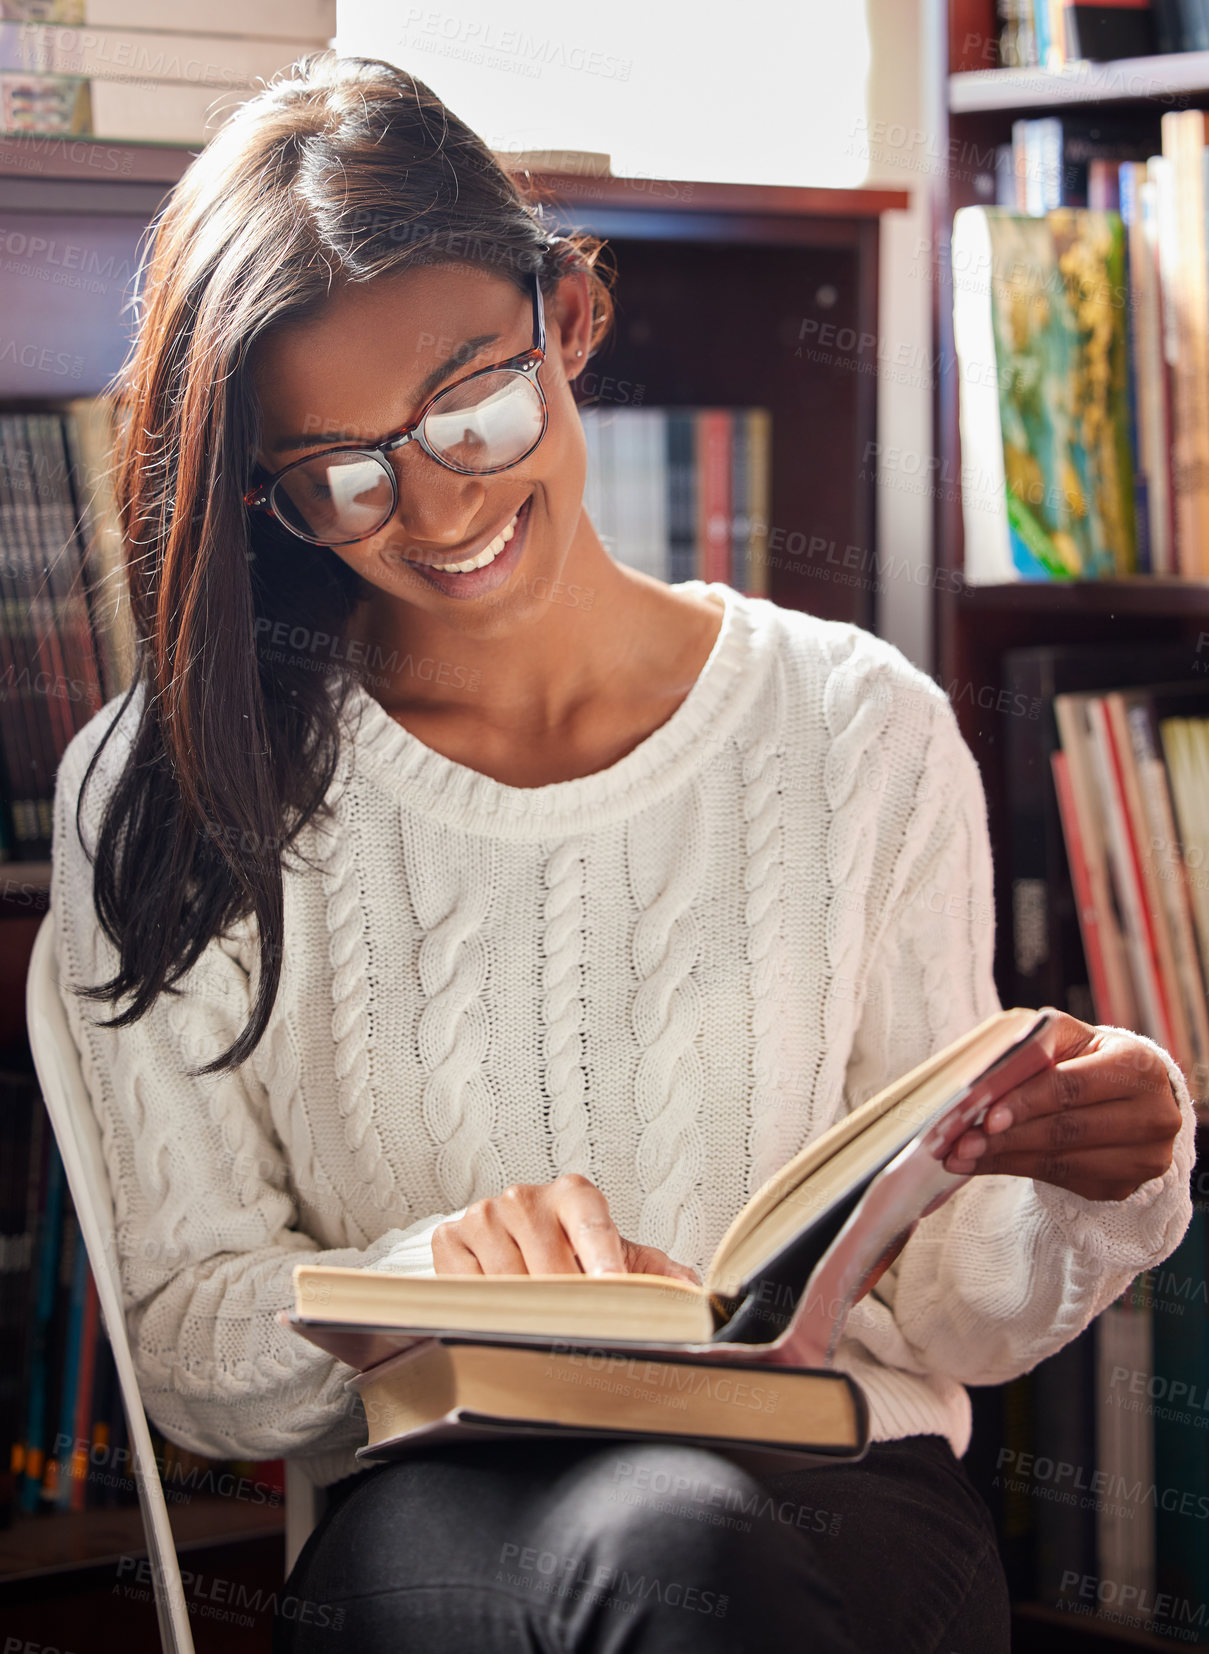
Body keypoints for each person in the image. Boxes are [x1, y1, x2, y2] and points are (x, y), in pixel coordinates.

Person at [49, 51, 1191, 1654]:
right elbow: (186, 1343)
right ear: (265, 495)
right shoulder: (174, 787)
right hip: (449, 1509)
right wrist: (426, 1275)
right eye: (342, 474)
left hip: (838, 1482)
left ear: (567, 320)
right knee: (667, 1551)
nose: (436, 507)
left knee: (704, 1548)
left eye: (475, 404)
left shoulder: (858, 727)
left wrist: (1090, 1184)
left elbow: (947, 1314)